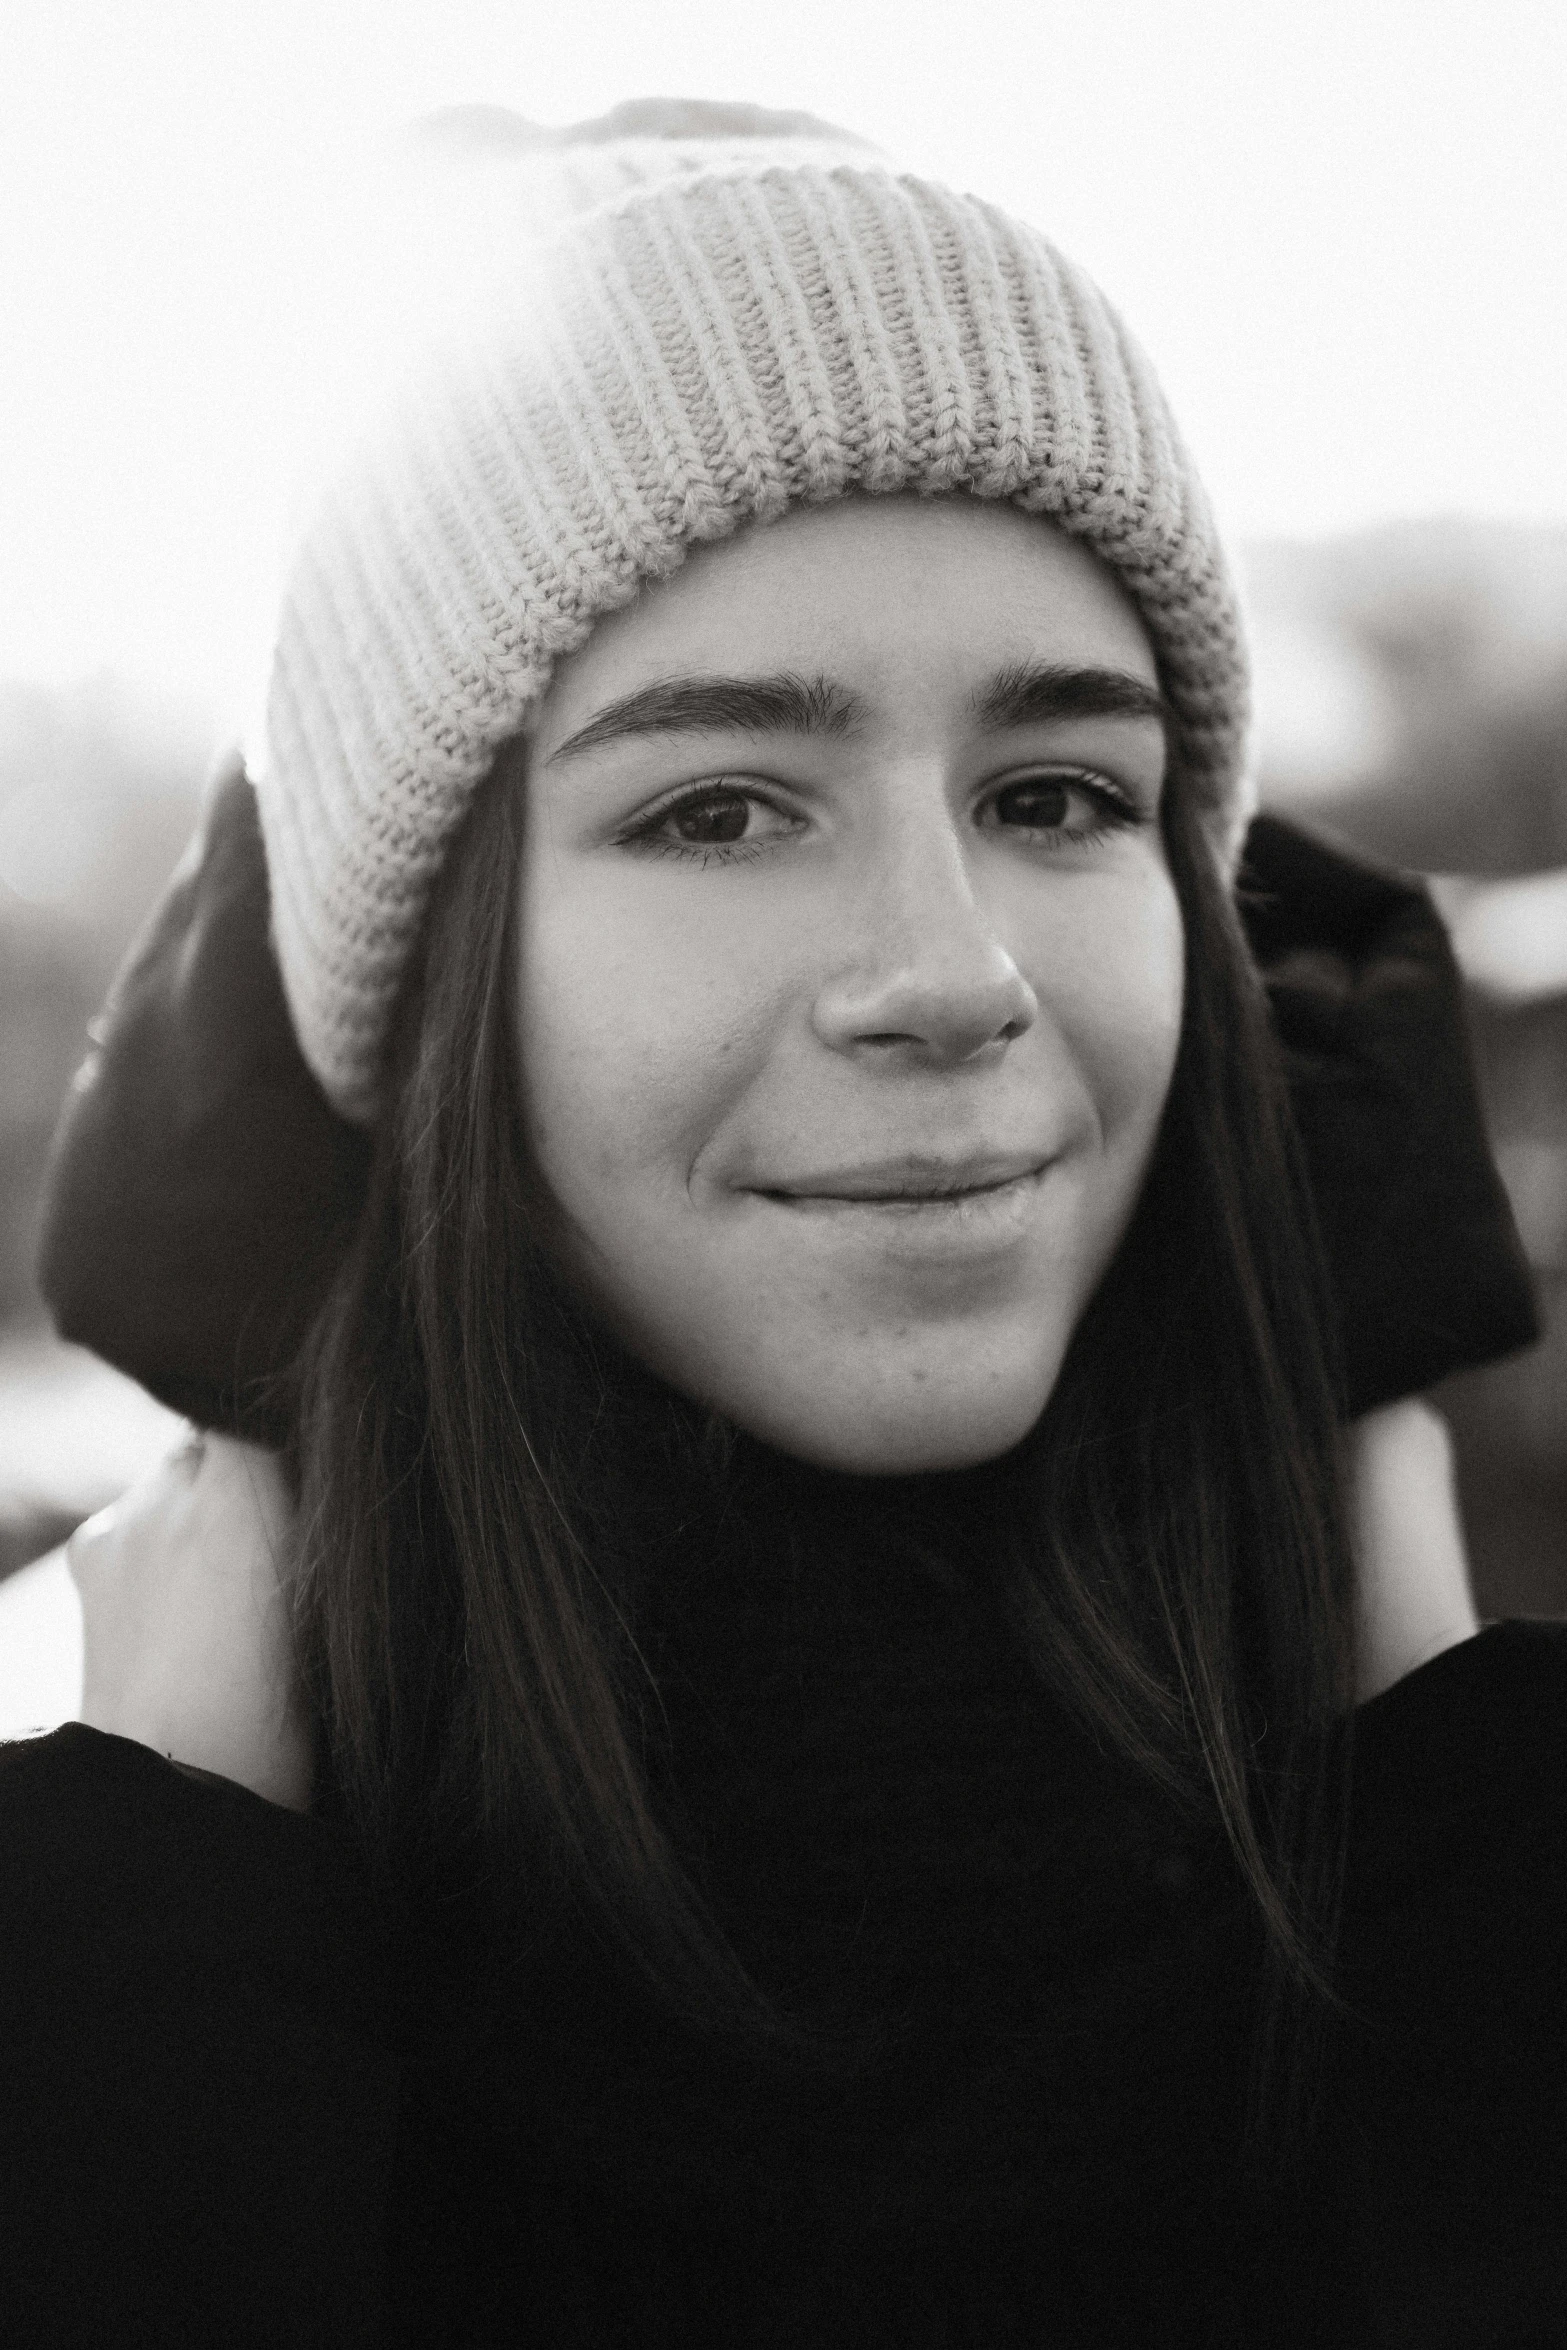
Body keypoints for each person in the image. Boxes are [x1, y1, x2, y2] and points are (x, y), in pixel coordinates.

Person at [2, 100, 1560, 2348]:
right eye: (720, 805)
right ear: (435, 970)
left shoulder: (1444, 1831)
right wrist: (165, 1862)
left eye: (1057, 794)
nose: (950, 969)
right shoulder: (161, 1961)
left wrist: (1420, 1699)